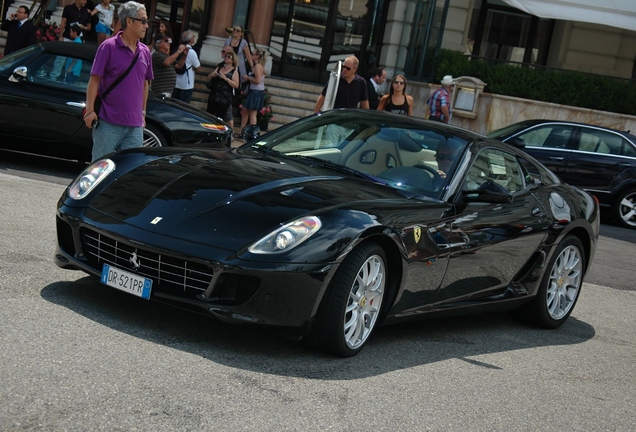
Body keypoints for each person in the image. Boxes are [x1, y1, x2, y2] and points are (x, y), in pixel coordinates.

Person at [83, 1, 153, 161]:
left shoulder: (145, 52)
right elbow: (94, 80)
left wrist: (142, 113)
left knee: (130, 171)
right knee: (99, 168)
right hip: (108, 121)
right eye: (143, 21)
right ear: (129, 21)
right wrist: (90, 110)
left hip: (135, 125)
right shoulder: (108, 47)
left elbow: (144, 84)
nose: (146, 26)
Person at [49, 0, 91, 81]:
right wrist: (60, 36)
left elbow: (89, 27)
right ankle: (53, 76)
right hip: (67, 36)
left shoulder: (86, 12)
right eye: (83, 0)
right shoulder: (68, 8)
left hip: (78, 39)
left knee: (74, 60)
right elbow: (63, 22)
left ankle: (67, 79)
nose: (85, 2)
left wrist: (84, 27)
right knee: (60, 58)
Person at [206, 50, 239, 132]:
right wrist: (212, 75)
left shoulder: (234, 71)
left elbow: (236, 85)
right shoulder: (219, 67)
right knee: (209, 114)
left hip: (225, 98)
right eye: (226, 56)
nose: (226, 58)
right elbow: (209, 77)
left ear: (233, 60)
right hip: (214, 95)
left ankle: (219, 132)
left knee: (221, 117)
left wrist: (226, 79)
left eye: (229, 57)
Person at [239, 49, 267, 134]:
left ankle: (250, 133)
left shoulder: (258, 66)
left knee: (252, 113)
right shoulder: (258, 65)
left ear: (257, 56)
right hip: (256, 90)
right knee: (246, 111)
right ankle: (243, 131)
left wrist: (248, 78)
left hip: (256, 91)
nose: (251, 55)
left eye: (253, 54)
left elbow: (257, 80)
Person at [171, 30, 200, 103]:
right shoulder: (191, 52)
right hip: (187, 84)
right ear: (191, 40)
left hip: (176, 82)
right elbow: (198, 68)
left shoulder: (178, 49)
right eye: (193, 37)